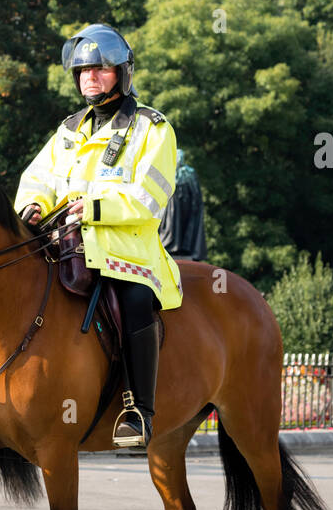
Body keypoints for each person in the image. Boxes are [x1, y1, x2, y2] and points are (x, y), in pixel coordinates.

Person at [14, 24, 183, 448]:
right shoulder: (68, 130)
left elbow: (150, 198)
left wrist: (94, 209)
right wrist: (31, 205)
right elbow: (37, 178)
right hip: (64, 245)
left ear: (123, 74)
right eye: (84, 71)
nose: (90, 78)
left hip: (126, 250)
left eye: (101, 70)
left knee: (133, 299)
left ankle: (138, 409)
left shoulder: (153, 128)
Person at [157, 149, 207, 262]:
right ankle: (170, 246)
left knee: (185, 227)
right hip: (171, 205)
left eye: (180, 157)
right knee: (171, 225)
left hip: (186, 205)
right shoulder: (168, 170)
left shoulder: (189, 172)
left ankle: (184, 248)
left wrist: (194, 204)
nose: (179, 159)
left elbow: (195, 191)